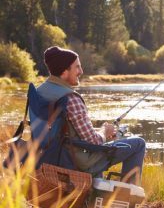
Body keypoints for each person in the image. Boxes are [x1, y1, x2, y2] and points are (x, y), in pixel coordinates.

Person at [37, 46, 146, 185]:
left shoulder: (40, 92)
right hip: (76, 163)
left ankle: (92, 196)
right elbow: (93, 142)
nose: (81, 71)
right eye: (77, 67)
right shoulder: (70, 99)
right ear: (64, 72)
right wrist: (104, 132)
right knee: (138, 144)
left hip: (48, 158)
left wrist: (100, 132)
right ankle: (130, 197)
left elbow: (64, 132)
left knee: (101, 147)